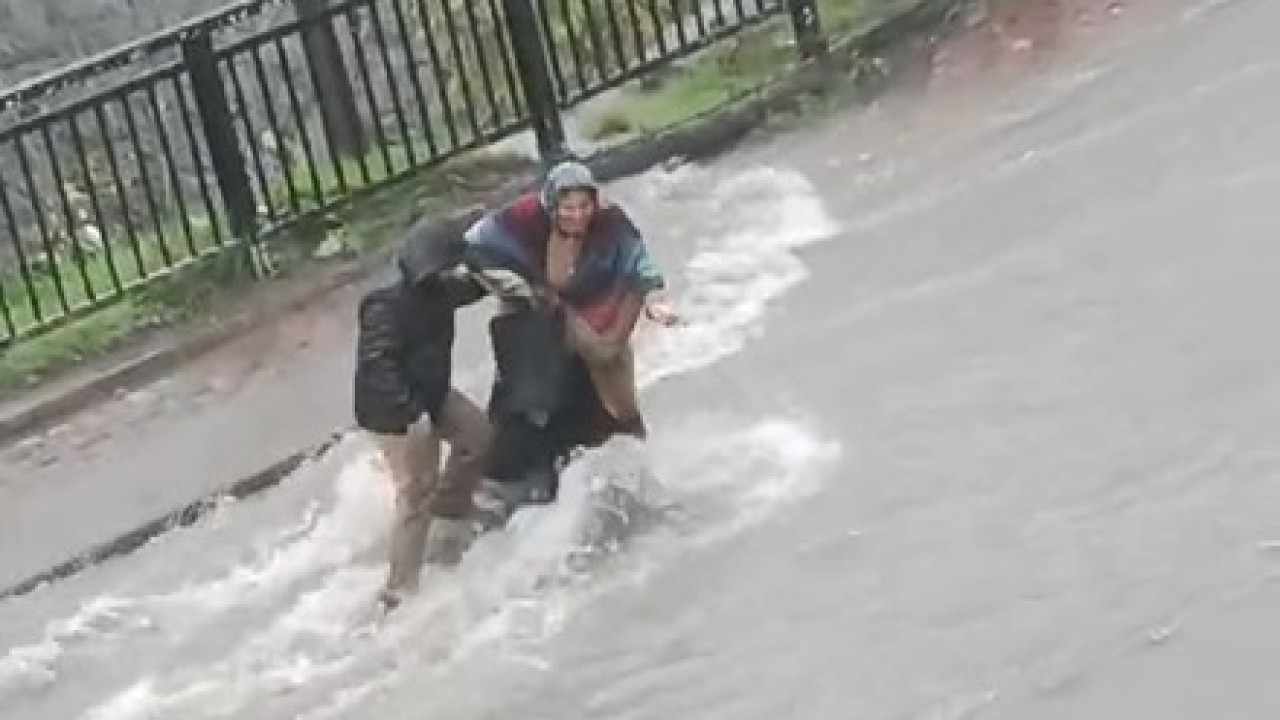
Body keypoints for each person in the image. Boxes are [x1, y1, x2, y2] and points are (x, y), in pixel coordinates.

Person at [462, 161, 677, 521]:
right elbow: (475, 245)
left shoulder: (611, 224)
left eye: (584, 206)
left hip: (599, 321)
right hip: (538, 323)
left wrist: (654, 300)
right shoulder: (526, 219)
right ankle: (527, 485)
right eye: (567, 208)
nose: (577, 216)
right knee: (530, 403)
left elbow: (640, 264)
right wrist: (524, 288)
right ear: (551, 205)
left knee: (618, 406)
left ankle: (640, 475)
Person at [352, 215, 492, 612]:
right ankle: (398, 590)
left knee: (478, 437)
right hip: (394, 411)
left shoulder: (440, 291)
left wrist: (481, 257)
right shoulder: (384, 305)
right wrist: (411, 413)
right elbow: (377, 365)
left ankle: (450, 510)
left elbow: (477, 285)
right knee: (416, 491)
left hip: (431, 393)